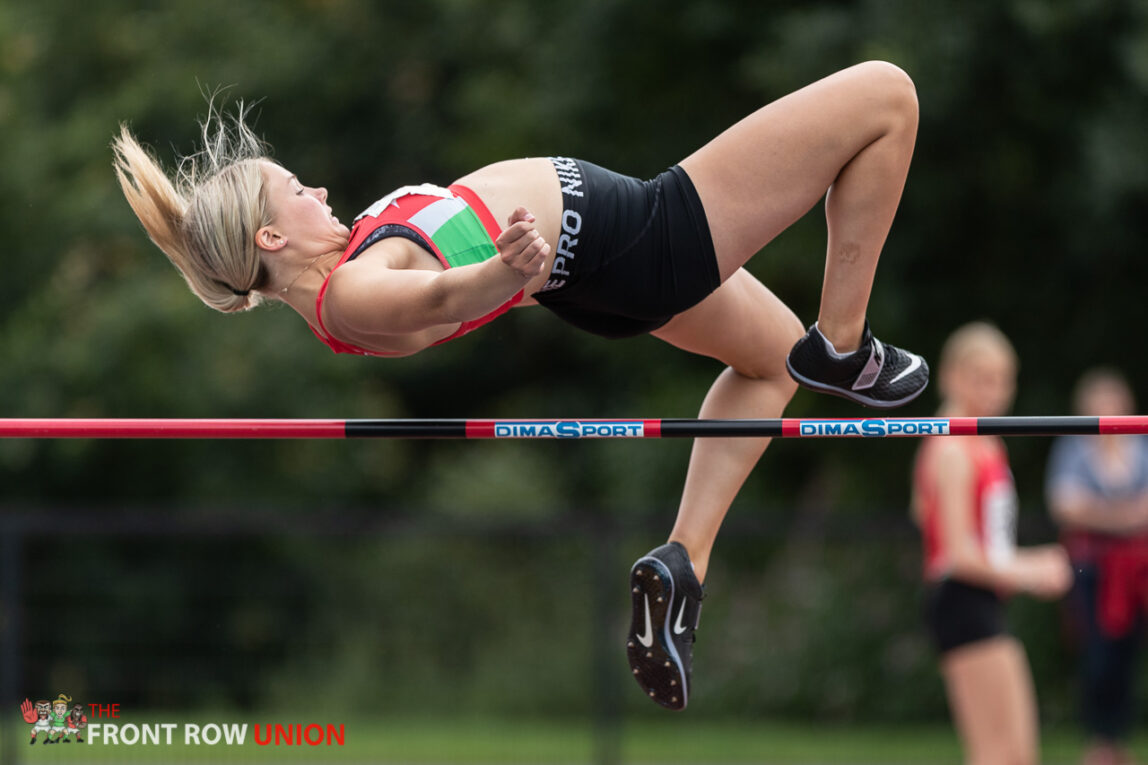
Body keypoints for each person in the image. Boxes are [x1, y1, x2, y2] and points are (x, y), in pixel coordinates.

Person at [113, 61, 929, 710]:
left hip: (601, 274)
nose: (319, 191)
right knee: (888, 96)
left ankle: (684, 558)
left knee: (768, 364)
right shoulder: (351, 293)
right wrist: (504, 270)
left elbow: (436, 285)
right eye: (298, 191)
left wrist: (510, 271)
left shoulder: (347, 273)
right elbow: (434, 297)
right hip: (641, 237)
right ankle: (845, 345)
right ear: (272, 235)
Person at [912, 322, 1072, 765]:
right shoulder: (950, 449)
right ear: (952, 376)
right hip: (962, 600)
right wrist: (1031, 571)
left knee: (1018, 754)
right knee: (997, 755)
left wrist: (1027, 565)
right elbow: (958, 555)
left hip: (981, 598)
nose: (995, 391)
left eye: (1003, 379)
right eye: (982, 377)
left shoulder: (988, 443)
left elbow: (990, 544)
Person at [1047, 369, 1148, 765]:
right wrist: (1124, 516)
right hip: (1092, 567)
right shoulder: (1073, 448)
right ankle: (1098, 740)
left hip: (1136, 570)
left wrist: (1099, 512)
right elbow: (1066, 506)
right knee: (1096, 652)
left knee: (1128, 652)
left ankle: (1119, 738)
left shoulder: (1139, 446)